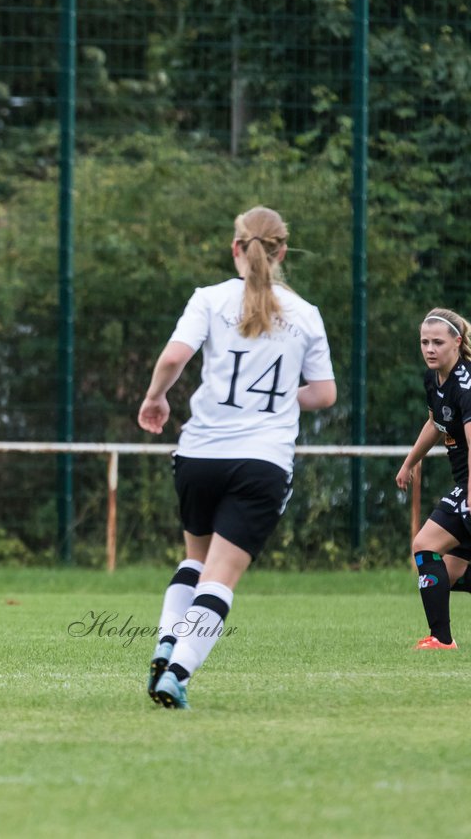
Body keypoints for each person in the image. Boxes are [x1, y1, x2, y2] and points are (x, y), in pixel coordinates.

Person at [138, 207, 336, 709]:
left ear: (235, 248)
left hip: (200, 452)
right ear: (282, 251)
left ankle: (167, 642)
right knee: (221, 576)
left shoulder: (210, 298)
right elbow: (325, 394)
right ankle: (177, 672)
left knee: (195, 559)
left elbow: (173, 358)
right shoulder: (305, 313)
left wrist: (156, 397)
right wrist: (283, 398)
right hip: (261, 461)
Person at [394, 308, 471, 650]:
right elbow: (436, 424)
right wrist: (409, 462)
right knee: (445, 576)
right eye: (424, 341)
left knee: (425, 546)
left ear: (457, 342)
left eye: (438, 342)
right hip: (466, 482)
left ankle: (442, 640)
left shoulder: (465, 385)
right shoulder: (434, 379)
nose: (429, 348)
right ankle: (441, 639)